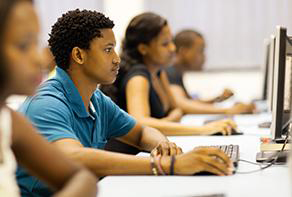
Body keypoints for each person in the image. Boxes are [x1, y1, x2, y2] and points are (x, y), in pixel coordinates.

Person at [17, 9, 233, 196]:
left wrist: (163, 146)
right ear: (79, 55)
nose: (117, 59)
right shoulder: (46, 102)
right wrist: (167, 164)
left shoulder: (96, 100)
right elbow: (74, 157)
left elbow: (140, 133)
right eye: (108, 49)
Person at [0, 0, 98, 197]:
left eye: (36, 43)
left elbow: (82, 178)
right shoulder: (46, 101)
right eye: (23, 45)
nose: (40, 59)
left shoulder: (8, 120)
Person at [100, 12, 236, 135]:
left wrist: (168, 119)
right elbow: (141, 122)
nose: (173, 48)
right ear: (143, 48)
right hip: (134, 154)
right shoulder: (138, 76)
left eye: (171, 41)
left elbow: (177, 108)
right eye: (165, 44)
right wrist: (204, 129)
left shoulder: (158, 72)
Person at [165, 29, 255, 114]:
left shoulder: (177, 72)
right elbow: (182, 104)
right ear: (184, 51)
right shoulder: (171, 72)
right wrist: (229, 110)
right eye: (200, 51)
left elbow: (191, 102)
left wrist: (218, 99)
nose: (204, 57)